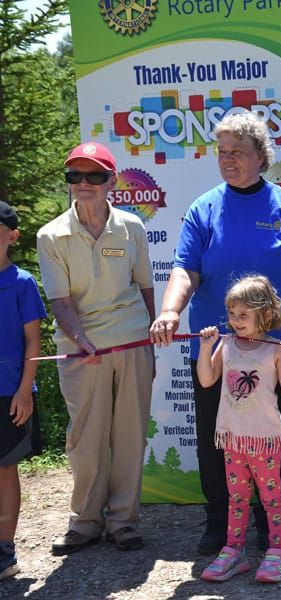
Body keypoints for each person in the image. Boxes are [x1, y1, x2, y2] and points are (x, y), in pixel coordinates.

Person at [149, 112, 281, 555]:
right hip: (218, 354)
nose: (228, 160)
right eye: (222, 152)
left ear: (260, 156)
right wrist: (170, 311)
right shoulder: (203, 208)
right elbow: (185, 270)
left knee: (272, 438)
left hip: (276, 353)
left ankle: (270, 523)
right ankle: (218, 521)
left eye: (237, 152)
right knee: (216, 436)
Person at [37, 142, 155, 554]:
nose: (83, 184)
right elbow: (60, 300)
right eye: (75, 176)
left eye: (94, 176)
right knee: (85, 440)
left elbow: (145, 287)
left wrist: (150, 341)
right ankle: (85, 521)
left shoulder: (132, 227)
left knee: (129, 435)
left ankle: (123, 521)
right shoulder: (50, 235)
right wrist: (83, 342)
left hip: (132, 343)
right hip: (80, 351)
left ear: (111, 182)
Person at [196, 276, 281, 583]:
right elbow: (207, 379)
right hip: (233, 437)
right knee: (236, 498)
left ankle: (278, 551)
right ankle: (234, 551)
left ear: (263, 314)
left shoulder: (276, 348)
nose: (235, 321)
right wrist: (205, 347)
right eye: (232, 314)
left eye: (243, 315)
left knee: (271, 497)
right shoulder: (225, 343)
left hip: (264, 440)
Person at [0, 201, 46, 580]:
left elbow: (34, 342)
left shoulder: (22, 283)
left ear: (12, 237)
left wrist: (24, 391)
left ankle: (5, 552)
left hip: (9, 395)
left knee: (5, 471)